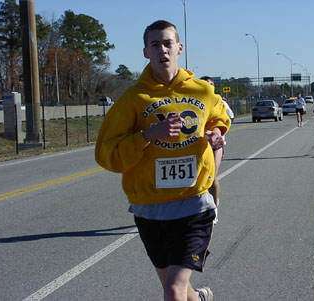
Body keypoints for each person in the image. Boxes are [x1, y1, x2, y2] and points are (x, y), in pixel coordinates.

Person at [95, 20, 230, 301]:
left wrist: (217, 131)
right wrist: (148, 135)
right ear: (146, 52)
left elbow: (219, 114)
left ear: (179, 48)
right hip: (150, 210)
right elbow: (106, 153)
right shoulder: (133, 99)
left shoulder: (202, 91)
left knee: (172, 290)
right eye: (155, 44)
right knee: (178, 289)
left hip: (194, 204)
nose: (162, 50)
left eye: (168, 43)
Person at [200, 76, 234, 224]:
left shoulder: (221, 102)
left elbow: (230, 118)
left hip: (215, 146)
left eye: (211, 84)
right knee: (198, 179)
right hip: (199, 146)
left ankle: (214, 209)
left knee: (211, 177)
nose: (209, 86)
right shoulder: (196, 101)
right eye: (205, 84)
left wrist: (217, 132)